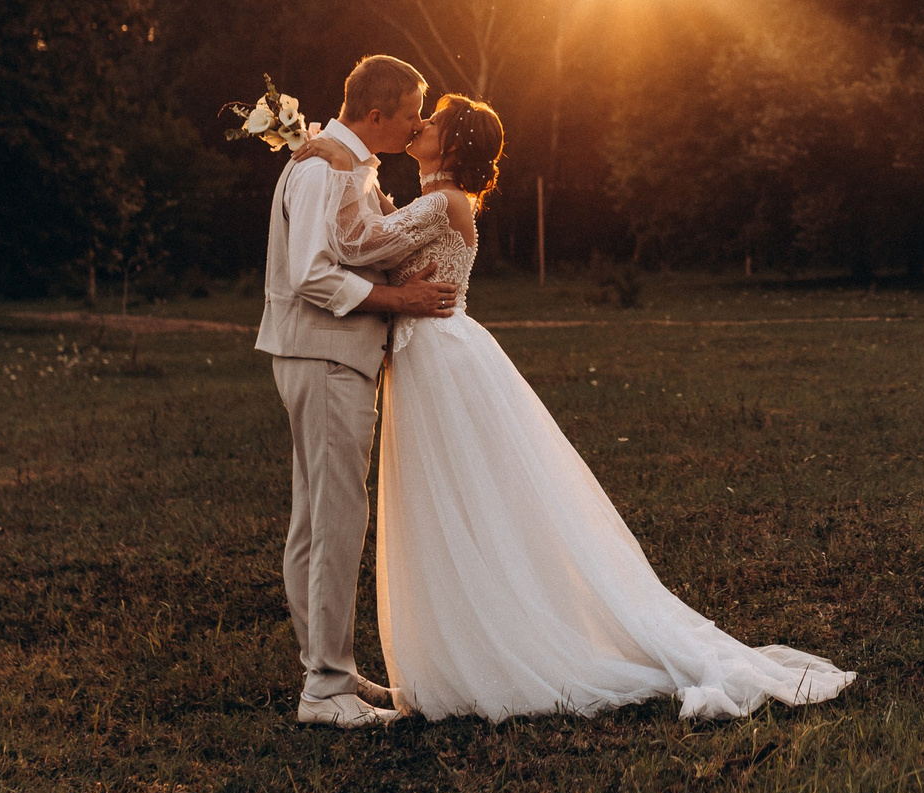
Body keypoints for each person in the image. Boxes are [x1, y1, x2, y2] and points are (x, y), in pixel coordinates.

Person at [299, 93, 855, 721]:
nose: (420, 123)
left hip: (439, 359)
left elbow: (353, 242)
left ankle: (494, 644)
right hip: (434, 354)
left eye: (435, 119)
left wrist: (321, 156)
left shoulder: (440, 204)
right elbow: (382, 240)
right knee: (455, 500)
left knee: (461, 500)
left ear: (451, 146)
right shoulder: (441, 203)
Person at [256, 55, 459, 729]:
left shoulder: (346, 165)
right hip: (324, 354)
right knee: (335, 516)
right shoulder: (321, 168)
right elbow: (311, 271)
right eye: (410, 114)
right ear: (375, 116)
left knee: (319, 515)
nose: (417, 124)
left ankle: (329, 667)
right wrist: (399, 297)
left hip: (326, 354)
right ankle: (325, 689)